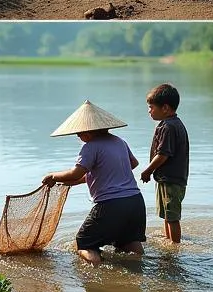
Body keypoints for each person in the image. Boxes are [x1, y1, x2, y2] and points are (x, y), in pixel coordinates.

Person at [42, 100, 146, 266]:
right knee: (128, 241)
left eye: (79, 132)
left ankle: (100, 275)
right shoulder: (119, 141)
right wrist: (77, 181)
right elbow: (133, 164)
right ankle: (140, 264)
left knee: (84, 242)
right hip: (135, 202)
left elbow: (76, 172)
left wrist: (53, 176)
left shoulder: (90, 146)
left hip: (111, 205)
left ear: (89, 131)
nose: (78, 136)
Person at [141, 83, 190, 244]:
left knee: (172, 217)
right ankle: (169, 242)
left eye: (151, 107)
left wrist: (147, 171)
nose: (149, 110)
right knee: (168, 215)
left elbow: (163, 155)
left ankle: (175, 247)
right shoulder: (173, 123)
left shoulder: (168, 127)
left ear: (165, 108)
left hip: (171, 180)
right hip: (169, 178)